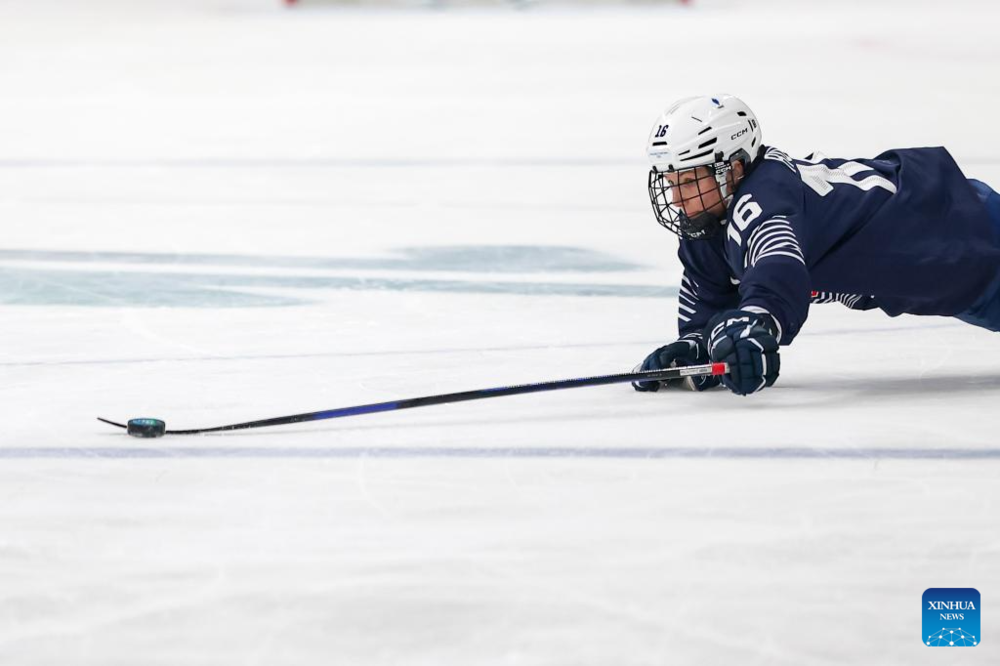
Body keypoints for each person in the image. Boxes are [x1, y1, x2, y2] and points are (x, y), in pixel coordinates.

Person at [633, 94, 1000, 396]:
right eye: (671, 182)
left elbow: (779, 268)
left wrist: (756, 323)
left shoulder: (763, 200)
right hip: (953, 260)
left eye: (688, 182)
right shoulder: (711, 219)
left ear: (734, 169)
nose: (678, 199)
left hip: (967, 234)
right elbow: (711, 299)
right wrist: (697, 346)